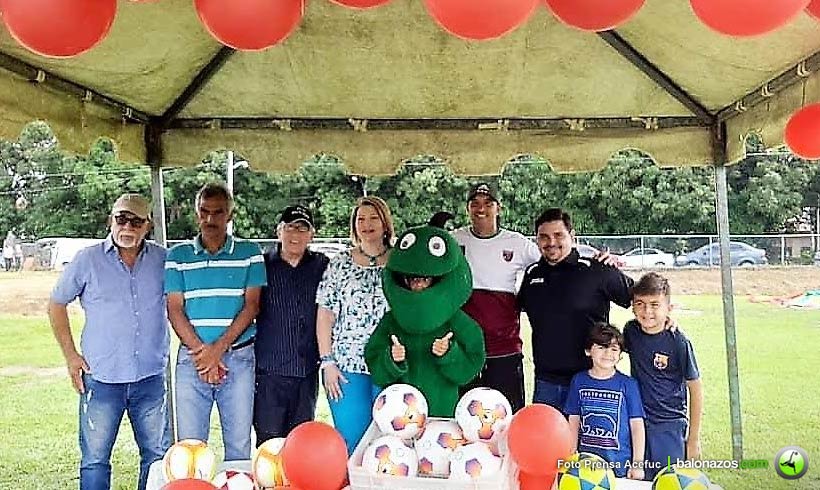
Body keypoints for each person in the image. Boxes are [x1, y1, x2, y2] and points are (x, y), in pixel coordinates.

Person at [47, 193, 169, 490]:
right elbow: (56, 304)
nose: (127, 227)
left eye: (136, 221)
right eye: (121, 219)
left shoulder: (163, 260)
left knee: (156, 457)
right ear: (110, 220)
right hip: (101, 378)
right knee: (95, 460)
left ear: (148, 225)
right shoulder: (87, 260)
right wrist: (71, 356)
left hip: (150, 378)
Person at [165, 182, 266, 461]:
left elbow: (252, 305)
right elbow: (174, 309)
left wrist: (217, 350)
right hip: (192, 360)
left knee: (239, 447)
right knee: (189, 450)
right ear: (197, 213)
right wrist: (204, 354)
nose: (210, 219)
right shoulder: (178, 256)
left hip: (238, 359)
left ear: (230, 215)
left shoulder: (250, 252)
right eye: (204, 211)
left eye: (218, 212)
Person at [365, 213, 486, 417]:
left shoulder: (458, 321)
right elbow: (376, 368)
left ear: (435, 280)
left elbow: (470, 368)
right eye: (413, 280)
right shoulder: (391, 321)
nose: (418, 285)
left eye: (424, 279)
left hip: (442, 413)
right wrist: (391, 359)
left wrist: (449, 354)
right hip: (401, 417)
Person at [518, 207, 633, 412]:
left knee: (591, 434)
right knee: (546, 435)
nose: (551, 242)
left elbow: (641, 298)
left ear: (572, 236)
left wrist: (664, 320)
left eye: (558, 235)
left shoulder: (597, 269)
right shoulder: (532, 275)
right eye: (544, 237)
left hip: (591, 379)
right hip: (546, 384)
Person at [451, 183, 541, 412]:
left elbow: (554, 257)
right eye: (475, 204)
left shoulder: (517, 243)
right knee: (466, 416)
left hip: (505, 348)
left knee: (508, 415)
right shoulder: (454, 240)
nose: (481, 209)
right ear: (468, 209)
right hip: (465, 348)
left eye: (488, 203)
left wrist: (597, 257)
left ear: (498, 208)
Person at [316, 196, 395, 453]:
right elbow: (325, 314)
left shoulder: (400, 261)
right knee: (353, 441)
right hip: (346, 366)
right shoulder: (339, 263)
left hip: (390, 363)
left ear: (385, 223)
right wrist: (327, 361)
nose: (367, 224)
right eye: (361, 219)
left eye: (373, 218)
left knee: (389, 442)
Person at [253, 205, 329, 445]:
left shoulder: (323, 265)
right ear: (279, 232)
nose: (295, 234)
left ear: (311, 235)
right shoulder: (262, 265)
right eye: (290, 227)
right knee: (269, 444)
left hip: (307, 371)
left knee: (300, 443)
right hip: (269, 372)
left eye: (302, 228)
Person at [624, 272, 703, 479]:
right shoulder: (631, 331)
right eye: (640, 304)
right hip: (637, 422)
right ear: (633, 306)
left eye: (655, 305)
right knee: (638, 479)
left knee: (669, 480)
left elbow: (695, 389)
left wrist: (693, 439)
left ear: (669, 308)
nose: (647, 311)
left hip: (669, 424)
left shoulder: (678, 341)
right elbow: (611, 349)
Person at [565, 323, 646, 479]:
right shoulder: (578, 381)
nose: (608, 353)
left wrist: (637, 464)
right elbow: (574, 421)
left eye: (614, 349)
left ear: (621, 355)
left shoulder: (628, 384)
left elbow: (637, 426)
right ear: (588, 350)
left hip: (619, 465)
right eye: (602, 347)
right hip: (586, 464)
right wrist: (571, 455)